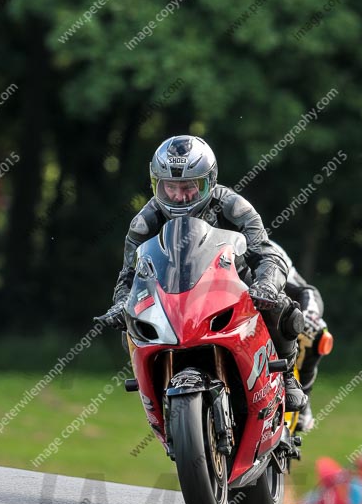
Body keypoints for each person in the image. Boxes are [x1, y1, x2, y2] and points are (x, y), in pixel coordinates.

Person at [96, 135, 307, 412]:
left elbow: (267, 254)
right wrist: (120, 305)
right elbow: (127, 276)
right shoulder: (144, 222)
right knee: (132, 325)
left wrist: (266, 284)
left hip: (234, 289)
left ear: (210, 181)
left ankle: (287, 375)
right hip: (170, 300)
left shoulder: (234, 207)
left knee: (283, 309)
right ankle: (153, 391)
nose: (179, 196)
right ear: (156, 184)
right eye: (170, 187)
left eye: (189, 187)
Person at [270, 242, 328, 431]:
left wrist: (309, 315)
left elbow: (306, 291)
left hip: (265, 320)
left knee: (314, 331)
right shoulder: (183, 246)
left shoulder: (261, 244)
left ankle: (302, 396)